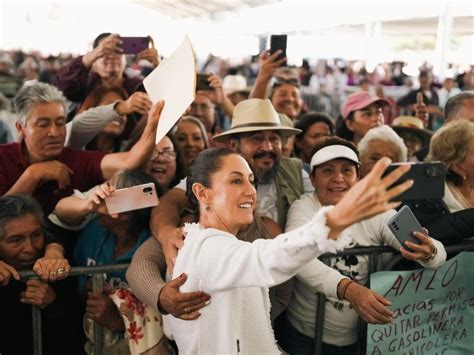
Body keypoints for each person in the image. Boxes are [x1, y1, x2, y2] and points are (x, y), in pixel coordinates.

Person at [165, 147, 415, 354]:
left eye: (251, 180)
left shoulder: (201, 242)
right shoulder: (210, 248)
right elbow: (267, 259)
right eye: (236, 180)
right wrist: (331, 224)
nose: (250, 191)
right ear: (202, 192)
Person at [279, 138, 446, 355]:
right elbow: (297, 256)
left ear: (358, 177)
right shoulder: (304, 208)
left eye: (347, 170)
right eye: (328, 170)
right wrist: (350, 290)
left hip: (362, 339)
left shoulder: (375, 209)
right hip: (305, 337)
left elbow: (435, 252)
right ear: (313, 178)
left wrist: (429, 251)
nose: (338, 178)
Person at [0, 82, 163, 215]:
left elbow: (129, 161)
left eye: (60, 123)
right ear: (20, 128)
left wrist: (153, 124)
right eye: (43, 124)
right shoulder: (3, 157)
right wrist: (33, 174)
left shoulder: (75, 161)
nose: (54, 132)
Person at [0, 195, 84, 355]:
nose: (30, 248)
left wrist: (53, 304)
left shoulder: (57, 266)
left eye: (36, 235)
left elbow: (75, 336)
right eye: (16, 240)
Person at [56, 33, 158, 107]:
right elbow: (64, 84)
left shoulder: (139, 86)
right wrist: (91, 55)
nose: (112, 56)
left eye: (118, 51)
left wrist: (158, 65)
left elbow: (164, 98)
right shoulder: (84, 85)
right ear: (94, 60)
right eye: (105, 52)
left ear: (125, 59)